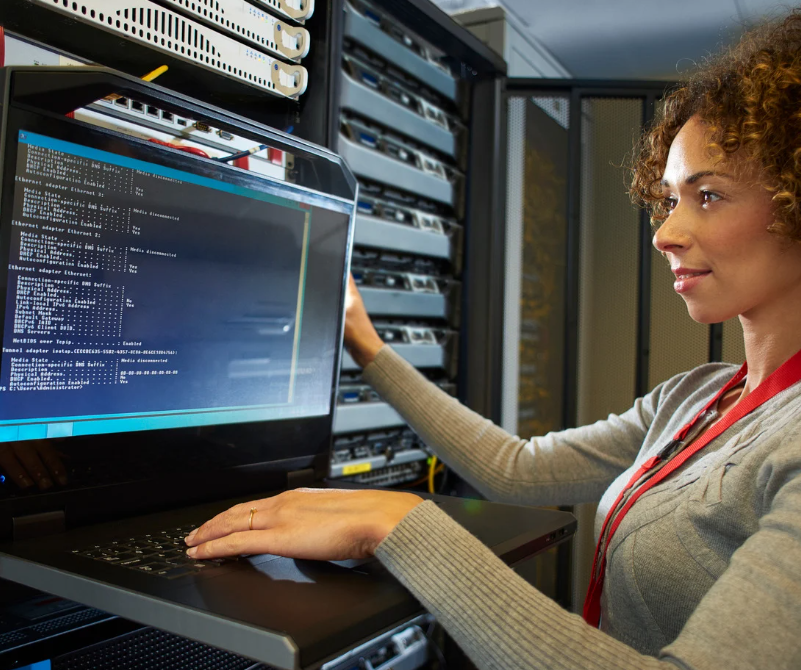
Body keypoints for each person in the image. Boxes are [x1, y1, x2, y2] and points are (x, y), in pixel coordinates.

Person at [184, 9, 801, 669]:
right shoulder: (694, 399)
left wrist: (394, 526)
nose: (664, 233)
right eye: (670, 199)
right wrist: (365, 342)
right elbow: (514, 469)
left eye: (706, 196)